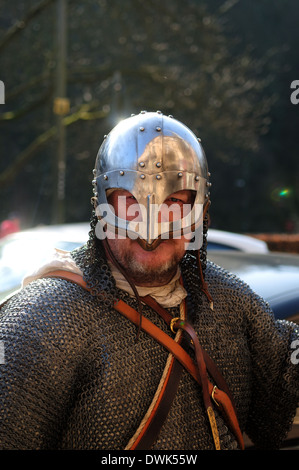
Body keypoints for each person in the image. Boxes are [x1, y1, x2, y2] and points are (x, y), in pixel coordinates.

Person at [0, 111, 298, 451]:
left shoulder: (230, 302)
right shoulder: (41, 321)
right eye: (130, 202)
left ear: (198, 210)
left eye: (173, 202)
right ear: (102, 206)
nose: (151, 228)